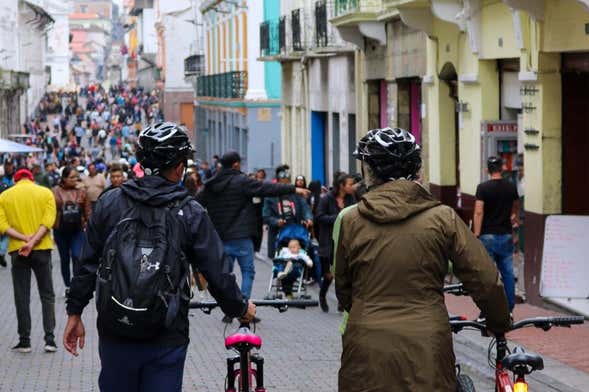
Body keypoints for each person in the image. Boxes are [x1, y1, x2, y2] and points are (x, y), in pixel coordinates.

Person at [63, 122, 255, 391]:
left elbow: (86, 264)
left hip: (116, 328)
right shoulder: (190, 212)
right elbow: (216, 271)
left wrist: (75, 312)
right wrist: (239, 307)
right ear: (179, 167)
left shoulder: (110, 202)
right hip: (166, 334)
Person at [334, 127, 511, 391]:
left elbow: (344, 289)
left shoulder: (351, 220)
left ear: (369, 172)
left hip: (367, 346)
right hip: (427, 346)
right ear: (416, 171)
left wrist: (367, 307)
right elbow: (484, 278)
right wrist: (498, 322)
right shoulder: (443, 218)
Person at [197, 152, 309, 323]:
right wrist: (294, 189)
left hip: (220, 237)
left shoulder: (211, 185)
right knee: (248, 272)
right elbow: (268, 188)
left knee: (225, 275)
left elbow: (195, 205)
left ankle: (229, 309)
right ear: (235, 165)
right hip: (242, 237)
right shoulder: (242, 181)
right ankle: (243, 310)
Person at [0, 168, 57, 353]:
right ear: (32, 179)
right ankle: (50, 339)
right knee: (47, 294)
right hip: (42, 249)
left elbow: (2, 225)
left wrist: (24, 239)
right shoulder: (45, 193)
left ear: (16, 180)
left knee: (21, 295)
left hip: (18, 250)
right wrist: (33, 241)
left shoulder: (5, 196)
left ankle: (25, 340)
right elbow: (48, 221)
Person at [474, 156, 520, 315]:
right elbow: (515, 207)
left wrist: (476, 234)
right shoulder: (511, 187)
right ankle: (509, 308)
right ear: (502, 168)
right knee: (507, 273)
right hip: (506, 234)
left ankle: (489, 309)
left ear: (487, 170)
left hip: (487, 235)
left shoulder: (483, 188)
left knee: (488, 275)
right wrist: (513, 217)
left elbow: (479, 211)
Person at [316, 174, 356, 313]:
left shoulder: (351, 199)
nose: (353, 187)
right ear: (341, 186)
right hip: (328, 240)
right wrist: (339, 218)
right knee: (328, 275)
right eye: (350, 184)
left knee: (343, 273)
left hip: (345, 240)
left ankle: (342, 301)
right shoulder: (327, 199)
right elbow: (319, 216)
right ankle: (322, 295)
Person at [53, 166, 91, 295]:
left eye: (76, 177)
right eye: (71, 177)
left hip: (77, 230)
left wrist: (88, 224)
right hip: (60, 231)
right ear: (64, 178)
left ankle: (76, 283)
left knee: (77, 256)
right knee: (64, 259)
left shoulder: (82, 191)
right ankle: (67, 286)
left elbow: (88, 210)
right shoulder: (55, 191)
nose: (75, 179)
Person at [263, 165, 314, 259]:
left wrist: (308, 219)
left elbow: (305, 208)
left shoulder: (296, 194)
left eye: (288, 183)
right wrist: (276, 221)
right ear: (278, 183)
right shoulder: (270, 196)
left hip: (296, 232)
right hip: (279, 235)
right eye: (283, 184)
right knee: (280, 263)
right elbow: (266, 216)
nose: (286, 186)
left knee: (302, 258)